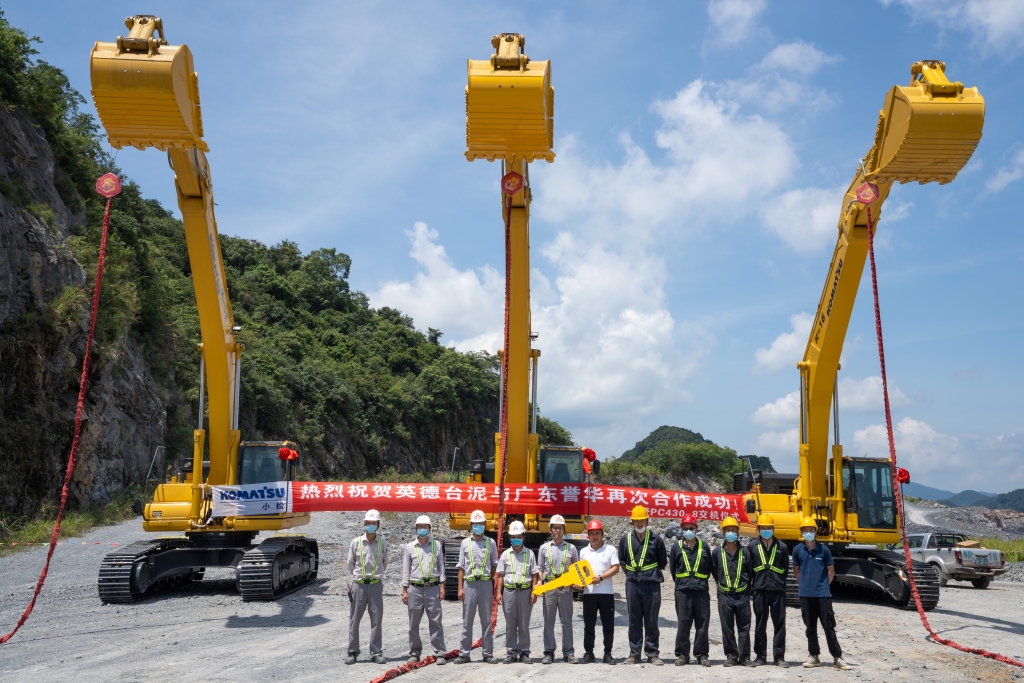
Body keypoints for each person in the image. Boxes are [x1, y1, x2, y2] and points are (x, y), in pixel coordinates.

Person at [791, 517, 851, 671]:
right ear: (801, 532)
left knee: (829, 626)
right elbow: (796, 571)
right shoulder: (798, 550)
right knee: (810, 627)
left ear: (815, 531)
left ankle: (837, 657)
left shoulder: (824, 550)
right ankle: (814, 656)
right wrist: (804, 584)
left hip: (822, 594)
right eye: (805, 530)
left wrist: (824, 585)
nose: (808, 532)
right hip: (806, 594)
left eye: (811, 530)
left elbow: (831, 570)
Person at [617, 505, 667, 665]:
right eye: (636, 521)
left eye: (642, 520)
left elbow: (662, 562)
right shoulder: (625, 539)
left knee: (651, 619)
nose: (640, 524)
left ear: (647, 520)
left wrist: (646, 575)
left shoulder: (656, 540)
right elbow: (623, 562)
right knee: (634, 619)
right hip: (633, 584)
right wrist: (634, 576)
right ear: (632, 522)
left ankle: (652, 653)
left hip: (651, 585)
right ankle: (634, 654)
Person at [454, 509, 500, 665]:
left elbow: (495, 563)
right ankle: (464, 654)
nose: (478, 526)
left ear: (485, 525)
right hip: (470, 584)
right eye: (475, 524)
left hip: (486, 584)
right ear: (471, 525)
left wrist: (489, 578)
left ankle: (487, 653)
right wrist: (460, 588)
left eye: (481, 524)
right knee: (467, 620)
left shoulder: (491, 543)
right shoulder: (464, 543)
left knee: (486, 621)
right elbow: (461, 567)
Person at [709, 516, 755, 667]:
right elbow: (715, 572)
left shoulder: (746, 552)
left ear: (738, 532)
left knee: (744, 627)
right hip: (725, 594)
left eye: (733, 530)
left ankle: (745, 657)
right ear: (723, 532)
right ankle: (731, 656)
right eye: (728, 530)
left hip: (742, 594)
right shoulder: (716, 552)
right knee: (727, 627)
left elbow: (750, 573)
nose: (730, 533)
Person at [402, 515, 447, 665]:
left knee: (435, 621)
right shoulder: (410, 547)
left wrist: (442, 586)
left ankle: (440, 652)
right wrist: (404, 590)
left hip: (432, 588)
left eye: (425, 527)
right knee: (413, 622)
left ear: (429, 529)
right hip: (415, 588)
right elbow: (406, 570)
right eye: (420, 527)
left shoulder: (436, 545)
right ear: (416, 529)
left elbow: (441, 567)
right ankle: (415, 652)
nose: (422, 529)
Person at [346, 509, 389, 665]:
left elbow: (385, 562)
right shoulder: (356, 542)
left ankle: (376, 652)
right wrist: (359, 577)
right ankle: (352, 652)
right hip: (359, 585)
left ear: (378, 525)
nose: (371, 525)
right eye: (368, 523)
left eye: (374, 523)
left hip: (376, 585)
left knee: (376, 620)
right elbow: (350, 564)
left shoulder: (383, 542)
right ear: (364, 524)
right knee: (354, 620)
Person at [668, 514, 711, 667]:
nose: (688, 531)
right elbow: (673, 569)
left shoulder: (704, 546)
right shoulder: (676, 547)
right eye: (685, 528)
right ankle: (682, 654)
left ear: (696, 529)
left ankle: (701, 655)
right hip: (683, 590)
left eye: (691, 528)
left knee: (702, 623)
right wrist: (682, 582)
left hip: (701, 590)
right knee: (683, 622)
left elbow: (709, 568)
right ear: (681, 529)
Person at [496, 520, 542, 663]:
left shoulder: (530, 554)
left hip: (525, 592)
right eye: (512, 536)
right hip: (509, 592)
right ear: (510, 538)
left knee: (523, 623)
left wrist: (534, 592)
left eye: (518, 536)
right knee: (510, 624)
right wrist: (498, 593)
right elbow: (501, 575)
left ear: (523, 536)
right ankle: (511, 653)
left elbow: (534, 574)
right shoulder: (505, 554)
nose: (516, 539)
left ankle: (524, 652)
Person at [539, 514, 580, 664]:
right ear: (550, 530)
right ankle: (549, 652)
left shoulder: (571, 548)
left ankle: (568, 652)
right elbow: (540, 568)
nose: (557, 530)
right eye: (555, 528)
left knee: (566, 621)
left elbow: (576, 568)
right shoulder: (544, 548)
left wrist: (577, 582)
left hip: (565, 588)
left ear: (564, 530)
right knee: (548, 621)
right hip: (550, 587)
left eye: (560, 528)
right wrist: (538, 584)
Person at [578, 519, 619, 664]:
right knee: (589, 625)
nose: (595, 536)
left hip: (606, 593)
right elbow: (580, 572)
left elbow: (615, 568)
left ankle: (607, 654)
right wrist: (578, 583)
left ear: (602, 534)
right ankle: (589, 653)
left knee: (608, 625)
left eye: (597, 533)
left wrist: (601, 578)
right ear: (587, 535)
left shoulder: (610, 550)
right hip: (589, 593)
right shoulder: (583, 552)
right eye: (592, 533)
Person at [750, 513, 789, 667]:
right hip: (759, 589)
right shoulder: (752, 546)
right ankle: (760, 656)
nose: (766, 530)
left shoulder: (782, 547)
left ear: (773, 528)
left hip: (777, 590)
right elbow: (749, 569)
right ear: (758, 528)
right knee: (760, 623)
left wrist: (778, 582)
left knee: (779, 624)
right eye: (763, 527)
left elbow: (785, 570)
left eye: (769, 527)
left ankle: (779, 657)